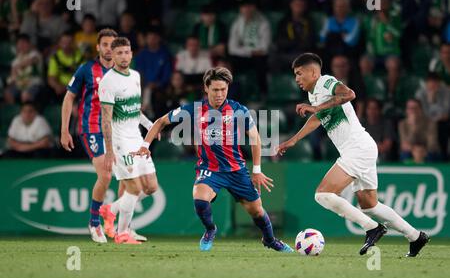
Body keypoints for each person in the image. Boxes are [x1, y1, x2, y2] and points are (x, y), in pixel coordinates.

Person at [277, 53, 429, 257]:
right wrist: (293, 140)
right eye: (295, 75)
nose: (296, 79)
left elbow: (349, 94)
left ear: (313, 72)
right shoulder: (314, 94)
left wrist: (316, 107)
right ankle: (415, 236)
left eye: (299, 73)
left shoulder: (326, 81)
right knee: (370, 206)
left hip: (356, 148)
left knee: (323, 194)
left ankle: (372, 228)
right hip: (361, 148)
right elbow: (318, 117)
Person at [132, 67, 293, 253]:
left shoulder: (238, 110)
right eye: (215, 90)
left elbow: (255, 138)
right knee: (200, 198)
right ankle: (210, 230)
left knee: (256, 211)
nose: (219, 94)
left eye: (223, 89)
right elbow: (161, 122)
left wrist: (256, 170)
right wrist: (145, 145)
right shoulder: (194, 109)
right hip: (209, 168)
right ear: (206, 88)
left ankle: (270, 239)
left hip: (236, 170)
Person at [60, 29, 153, 243]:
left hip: (121, 131)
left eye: (113, 45)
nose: (109, 50)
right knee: (106, 174)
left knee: (127, 177)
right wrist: (64, 129)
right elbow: (68, 98)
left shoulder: (126, 74)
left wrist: (148, 124)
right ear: (98, 48)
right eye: (105, 45)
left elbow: (130, 106)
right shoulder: (87, 70)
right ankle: (94, 223)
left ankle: (124, 228)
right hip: (93, 128)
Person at [99, 37, 159, 244]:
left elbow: (134, 108)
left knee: (151, 187)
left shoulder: (135, 76)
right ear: (112, 56)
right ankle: (123, 233)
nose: (124, 56)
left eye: (127, 52)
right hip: (120, 141)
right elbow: (105, 118)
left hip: (137, 138)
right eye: (119, 53)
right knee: (133, 188)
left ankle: (111, 209)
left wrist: (149, 124)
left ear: (131, 53)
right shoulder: (108, 82)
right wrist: (109, 151)